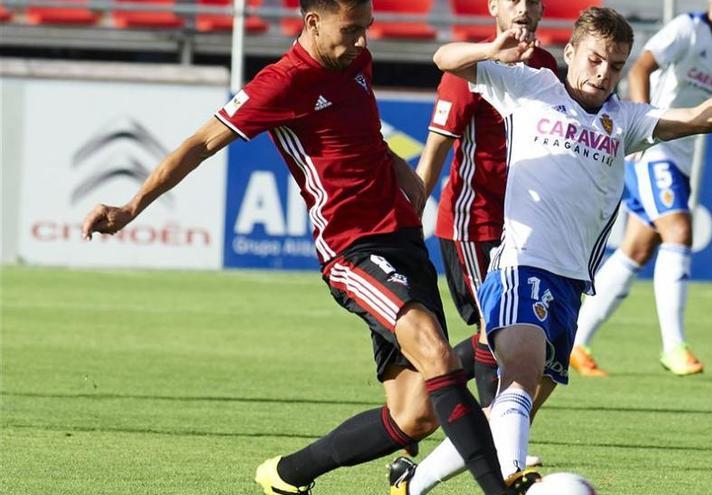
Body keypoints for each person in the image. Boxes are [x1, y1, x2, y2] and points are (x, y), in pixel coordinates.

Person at [80, 1, 515, 494]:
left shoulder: (355, 61)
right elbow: (201, 143)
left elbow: (365, 134)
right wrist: (131, 207)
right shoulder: (282, 82)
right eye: (351, 30)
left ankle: (287, 475)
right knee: (437, 351)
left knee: (414, 414)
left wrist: (401, 172)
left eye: (366, 28)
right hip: (352, 250)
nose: (361, 40)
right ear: (313, 22)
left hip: (405, 240)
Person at [389, 6, 712, 493]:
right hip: (520, 265)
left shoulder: (626, 119)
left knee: (510, 409)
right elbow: (444, 58)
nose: (604, 73)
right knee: (520, 376)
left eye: (616, 65)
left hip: (571, 286)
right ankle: (514, 479)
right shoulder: (530, 87)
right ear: (570, 52)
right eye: (595, 59)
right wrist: (492, 50)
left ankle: (410, 484)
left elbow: (705, 117)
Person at [570, 0, 712, 378]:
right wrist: (639, 128)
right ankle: (674, 345)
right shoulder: (686, 29)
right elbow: (641, 67)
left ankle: (577, 341)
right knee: (679, 231)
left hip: (682, 156)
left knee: (638, 248)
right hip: (656, 150)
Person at [418, 0, 557, 414]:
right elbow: (433, 154)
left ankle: (427, 387)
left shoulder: (546, 65)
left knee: (509, 328)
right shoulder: (471, 70)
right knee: (496, 325)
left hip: (518, 226)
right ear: (493, 6)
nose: (523, 8)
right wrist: (409, 221)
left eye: (532, 1)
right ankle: (498, 438)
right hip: (471, 225)